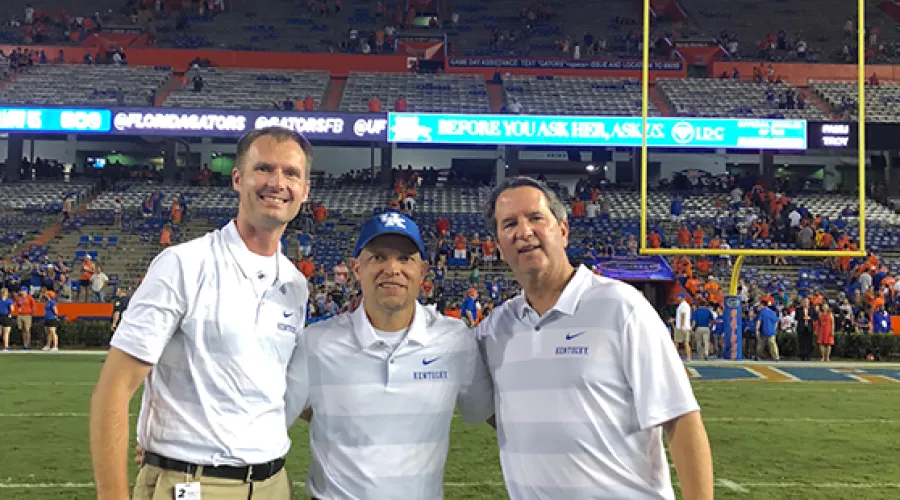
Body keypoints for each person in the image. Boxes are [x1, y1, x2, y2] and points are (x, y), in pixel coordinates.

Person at [89, 127, 314, 500]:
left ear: (305, 190)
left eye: (291, 173)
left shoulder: (295, 285)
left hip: (274, 484)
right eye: (264, 169)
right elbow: (113, 390)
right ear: (238, 179)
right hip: (193, 484)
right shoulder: (183, 264)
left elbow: (274, 385)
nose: (277, 183)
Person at [475, 176, 714, 500]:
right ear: (500, 246)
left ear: (562, 230)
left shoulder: (621, 307)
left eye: (535, 218)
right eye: (509, 224)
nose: (524, 231)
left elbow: (681, 418)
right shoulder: (496, 329)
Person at [285, 211, 494, 499]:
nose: (392, 268)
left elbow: (483, 411)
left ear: (423, 271)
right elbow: (277, 415)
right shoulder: (317, 342)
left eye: (405, 258)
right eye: (378, 257)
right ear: (356, 268)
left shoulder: (455, 340)